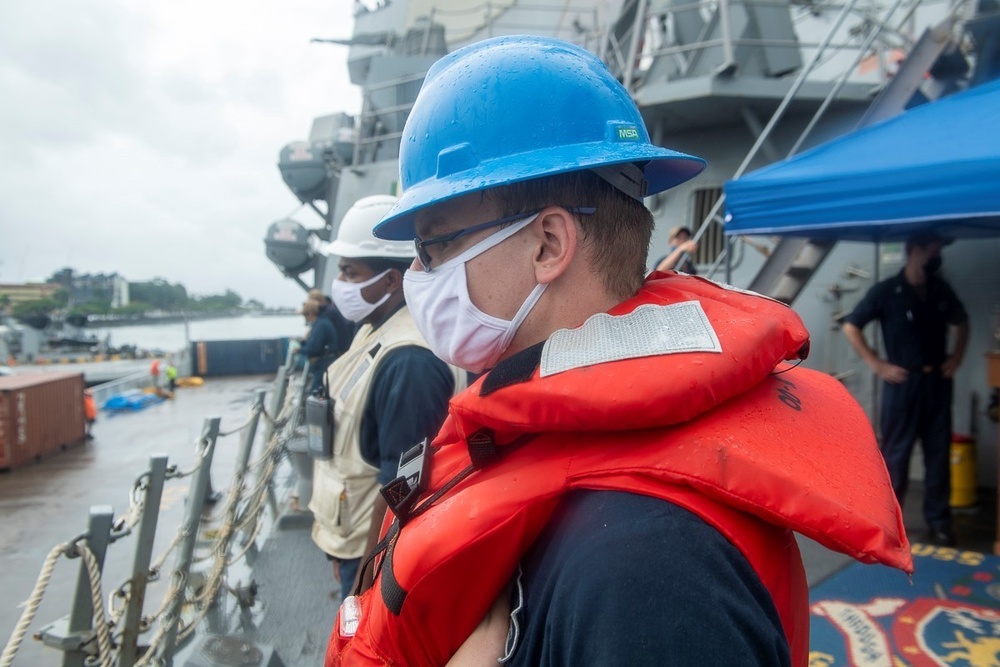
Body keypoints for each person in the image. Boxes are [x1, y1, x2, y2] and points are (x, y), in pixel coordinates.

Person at [326, 36, 911, 667]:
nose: (419, 274)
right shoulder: (564, 446)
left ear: (548, 244)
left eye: (435, 246)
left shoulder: (649, 570)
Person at [309, 194, 466, 603]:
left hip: (372, 555)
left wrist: (366, 572)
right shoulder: (373, 329)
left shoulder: (409, 361)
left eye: (348, 272)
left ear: (391, 281)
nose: (338, 284)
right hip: (352, 537)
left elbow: (401, 481)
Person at [842, 231, 969, 547]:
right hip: (902, 385)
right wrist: (876, 363)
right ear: (915, 250)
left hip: (936, 382)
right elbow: (851, 325)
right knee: (896, 455)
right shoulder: (887, 291)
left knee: (938, 455)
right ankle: (888, 524)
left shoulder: (940, 290)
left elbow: (962, 321)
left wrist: (956, 356)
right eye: (932, 249)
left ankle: (939, 523)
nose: (936, 255)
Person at [298, 300, 340, 396]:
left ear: (310, 314)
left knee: (315, 393)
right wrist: (304, 343)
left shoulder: (320, 325)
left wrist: (300, 350)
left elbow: (315, 348)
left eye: (305, 315)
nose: (305, 318)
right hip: (324, 362)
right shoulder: (321, 323)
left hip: (323, 364)